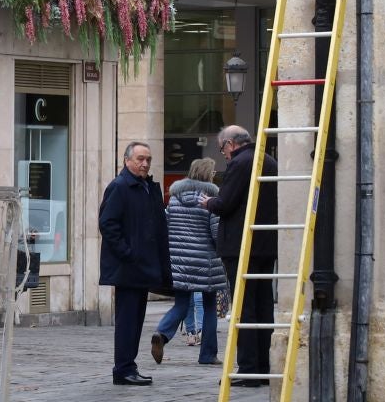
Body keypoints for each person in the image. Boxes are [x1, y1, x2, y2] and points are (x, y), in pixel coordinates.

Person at [202, 125, 277, 378]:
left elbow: (226, 203)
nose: (223, 153)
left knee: (245, 306)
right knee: (264, 305)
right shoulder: (268, 160)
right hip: (266, 244)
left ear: (231, 144)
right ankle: (264, 366)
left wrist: (209, 202)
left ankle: (248, 368)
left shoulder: (239, 162)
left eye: (222, 148)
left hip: (241, 244)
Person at [98, 141, 170, 385]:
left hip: (142, 266)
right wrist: (128, 253)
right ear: (126, 160)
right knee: (128, 320)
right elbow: (107, 223)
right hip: (128, 267)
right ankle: (123, 368)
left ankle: (129, 366)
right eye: (140, 159)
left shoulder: (147, 187)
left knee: (137, 319)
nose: (145, 163)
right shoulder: (120, 187)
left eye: (148, 159)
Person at [153, 157, 226, 365]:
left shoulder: (175, 198)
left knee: (181, 304)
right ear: (207, 175)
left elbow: (167, 227)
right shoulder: (210, 197)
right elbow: (215, 232)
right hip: (206, 262)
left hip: (179, 260)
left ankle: (162, 333)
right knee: (210, 305)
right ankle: (208, 354)